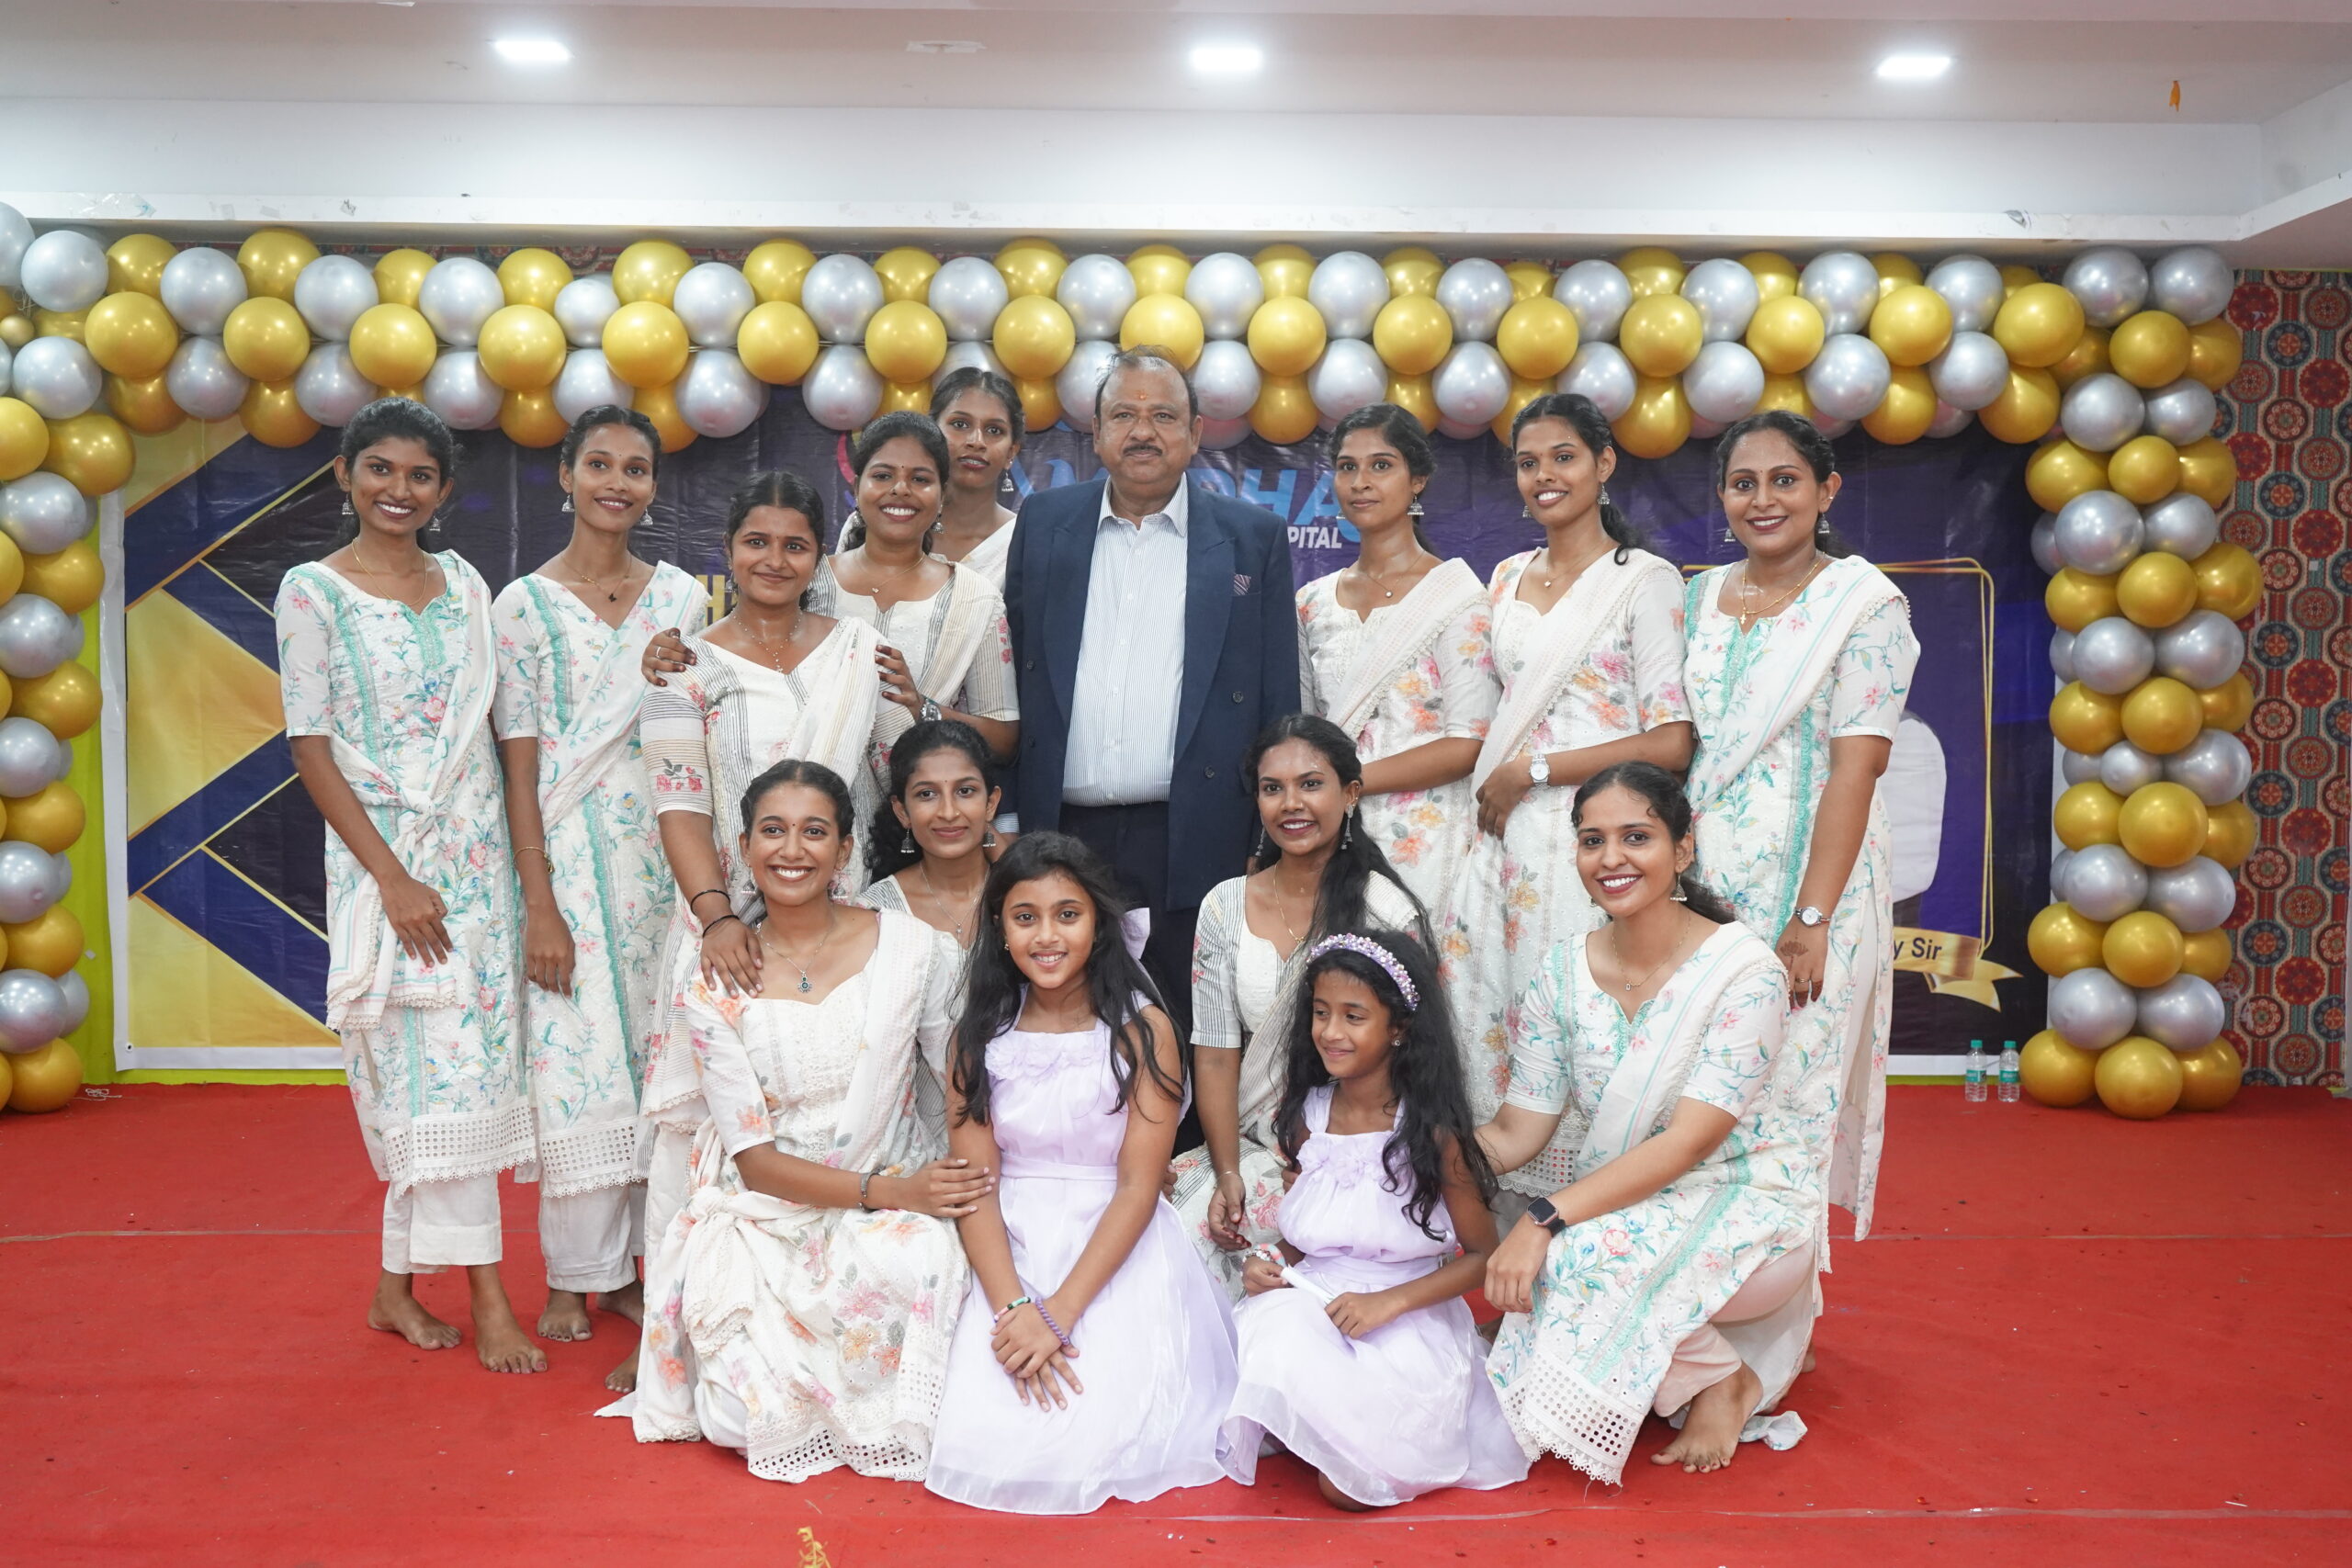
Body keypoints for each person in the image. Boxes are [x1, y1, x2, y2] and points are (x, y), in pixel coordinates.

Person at [274, 397, 540, 1374]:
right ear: (343, 476)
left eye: (419, 475)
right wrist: (391, 878)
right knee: (428, 1081)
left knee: (462, 1081)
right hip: (388, 869)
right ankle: (487, 1294)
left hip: (477, 868)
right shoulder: (311, 593)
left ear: (443, 489)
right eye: (379, 469)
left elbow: (500, 726)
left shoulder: (464, 582)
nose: (399, 489)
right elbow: (310, 746)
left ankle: (394, 1287)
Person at [632, 761, 984, 1482]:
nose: (792, 850)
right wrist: (894, 1193)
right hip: (771, 1213)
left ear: (844, 849)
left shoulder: (913, 949)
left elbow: (960, 1090)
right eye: (774, 830)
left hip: (891, 1200)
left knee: (920, 1261)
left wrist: (938, 1191)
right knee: (735, 1420)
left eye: (814, 831)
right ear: (744, 846)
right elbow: (755, 1162)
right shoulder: (714, 979)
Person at [1480, 763, 1816, 1485]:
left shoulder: (1744, 971)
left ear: (1682, 849)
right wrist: (1423, 1153)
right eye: (1592, 840)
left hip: (1744, 1200)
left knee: (1565, 1254)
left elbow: (1689, 1141)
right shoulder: (1562, 970)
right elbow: (1517, 1130)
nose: (1611, 858)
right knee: (1561, 1250)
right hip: (1628, 1201)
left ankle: (1722, 1379)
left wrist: (1543, 1217)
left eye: (1637, 837)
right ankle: (1698, 1367)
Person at [925, 833, 1240, 1514]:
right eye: (1025, 916)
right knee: (982, 1435)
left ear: (1099, 923)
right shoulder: (977, 1037)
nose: (1047, 935)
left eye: (1067, 914)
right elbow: (976, 1185)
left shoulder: (1143, 1032)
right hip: (1007, 1246)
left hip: (1116, 1241)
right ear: (1000, 929)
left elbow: (1138, 1186)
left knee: (1101, 1431)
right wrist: (1014, 1308)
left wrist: (1059, 1313)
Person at [1435, 392, 1693, 1210]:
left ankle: (1588, 1220)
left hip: (1592, 848)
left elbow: (1671, 741)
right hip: (1502, 848)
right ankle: (1498, 1228)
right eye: (1527, 462)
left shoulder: (1643, 581)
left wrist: (1536, 770)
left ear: (1604, 463)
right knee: (1490, 1026)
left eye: (1564, 457)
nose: (1544, 475)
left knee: (1577, 1029)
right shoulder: (1507, 577)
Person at [492, 404, 706, 1390]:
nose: (617, 483)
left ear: (654, 486)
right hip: (568, 863)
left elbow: (696, 724)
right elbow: (519, 766)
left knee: (658, 1062)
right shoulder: (522, 608)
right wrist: (538, 900)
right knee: (575, 1062)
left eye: (636, 469)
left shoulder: (682, 599)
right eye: (600, 464)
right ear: (566, 476)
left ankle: (641, 1271)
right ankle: (575, 1277)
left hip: (666, 856)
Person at [1001, 347, 1301, 1032]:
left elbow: (1277, 697)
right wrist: (1010, 819)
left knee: (1192, 1023)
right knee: (1068, 1024)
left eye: (1163, 416)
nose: (1143, 432)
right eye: (1124, 416)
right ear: (1096, 433)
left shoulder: (1251, 538)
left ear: (1195, 434)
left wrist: (1267, 834)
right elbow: (1015, 679)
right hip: (1061, 832)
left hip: (1196, 830)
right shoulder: (1044, 524)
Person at [635, 471, 889, 1258]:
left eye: (794, 545)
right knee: (714, 1119)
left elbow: (897, 770)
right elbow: (680, 806)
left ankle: (833, 1277)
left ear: (819, 559)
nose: (774, 560)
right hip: (729, 931)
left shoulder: (858, 650)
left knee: (837, 1098)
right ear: (728, 549)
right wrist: (717, 919)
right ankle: (690, 1287)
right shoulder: (683, 668)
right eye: (756, 542)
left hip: (845, 924)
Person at [1684, 410, 1917, 1239]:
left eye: (1785, 480)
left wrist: (1812, 918)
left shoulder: (1864, 605)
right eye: (1743, 484)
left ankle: (1779, 1296)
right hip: (1698, 891)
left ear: (1827, 490)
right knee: (1698, 1090)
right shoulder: (1696, 598)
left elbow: (1858, 768)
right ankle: (1693, 1282)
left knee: (1786, 1097)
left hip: (1812, 890)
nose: (1763, 500)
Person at [1222, 930, 1528, 1511]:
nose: (1330, 1031)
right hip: (1315, 1299)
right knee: (1277, 1325)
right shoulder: (1308, 1116)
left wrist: (1388, 1304)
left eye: (1353, 1016)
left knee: (1351, 1489)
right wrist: (1272, 1259)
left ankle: (1330, 1424)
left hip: (1405, 1313)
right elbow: (1316, 1230)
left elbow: (1483, 1258)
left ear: (1399, 1028)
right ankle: (1312, 1417)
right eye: (1321, 1012)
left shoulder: (1432, 1133)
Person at [1171, 715, 1428, 1299]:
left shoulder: (1386, 912)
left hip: (1358, 1158)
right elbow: (1214, 1054)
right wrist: (1227, 1170)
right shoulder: (1224, 906)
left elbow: (1407, 1063)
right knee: (1168, 1233)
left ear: (1351, 793)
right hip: (1248, 1145)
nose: (1291, 804)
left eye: (1311, 784)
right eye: (1272, 788)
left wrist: (1325, 1160)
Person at [1295, 403, 1498, 914]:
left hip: (1430, 838)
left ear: (1418, 480)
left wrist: (1346, 782)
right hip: (1331, 834)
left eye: (1381, 465)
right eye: (1347, 467)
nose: (1361, 482)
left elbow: (1468, 743)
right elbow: (1302, 732)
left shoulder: (1456, 597)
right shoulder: (1312, 602)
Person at [828, 411, 1020, 804]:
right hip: (807, 817)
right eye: (883, 475)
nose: (900, 490)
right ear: (856, 484)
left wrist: (923, 709)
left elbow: (1004, 740)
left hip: (922, 822)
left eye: (920, 479)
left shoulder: (974, 598)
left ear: (943, 493)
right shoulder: (810, 582)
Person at [856, 717, 1002, 946]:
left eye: (965, 791)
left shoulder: (1023, 895)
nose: (948, 812)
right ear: (902, 811)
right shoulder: (877, 910)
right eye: (927, 794)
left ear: (991, 804)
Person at [929, 365, 1026, 588]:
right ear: (931, 433)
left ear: (1011, 452)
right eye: (960, 424)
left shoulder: (1022, 544)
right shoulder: (890, 522)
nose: (976, 441)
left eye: (994, 430)